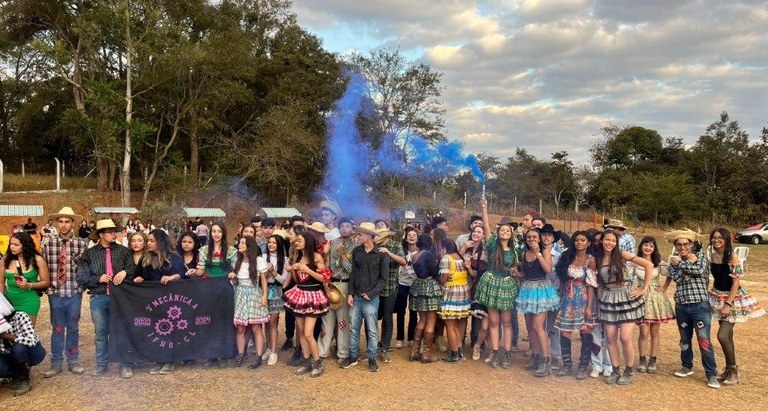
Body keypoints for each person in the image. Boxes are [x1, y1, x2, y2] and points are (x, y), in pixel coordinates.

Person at [76, 219, 136, 378]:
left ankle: (126, 363)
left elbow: (132, 268)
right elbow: (81, 276)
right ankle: (101, 364)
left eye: (115, 231)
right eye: (110, 232)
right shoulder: (89, 254)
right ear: (101, 234)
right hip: (99, 296)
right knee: (101, 332)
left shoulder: (124, 251)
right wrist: (98, 278)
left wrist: (125, 272)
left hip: (121, 297)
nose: (114, 234)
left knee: (122, 330)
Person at [708, 228, 764, 385]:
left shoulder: (732, 257)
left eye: (720, 237)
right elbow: (717, 278)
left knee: (722, 335)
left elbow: (735, 283)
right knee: (728, 336)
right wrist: (714, 296)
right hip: (718, 296)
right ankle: (728, 371)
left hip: (732, 299)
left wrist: (727, 304)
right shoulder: (713, 255)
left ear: (726, 239)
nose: (716, 240)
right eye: (714, 237)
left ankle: (734, 371)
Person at [596, 228, 652, 385]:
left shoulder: (622, 255)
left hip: (626, 297)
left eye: (613, 240)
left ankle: (629, 370)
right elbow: (600, 284)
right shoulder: (597, 259)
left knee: (625, 337)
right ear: (602, 241)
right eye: (607, 240)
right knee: (610, 337)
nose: (610, 243)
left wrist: (644, 287)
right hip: (608, 298)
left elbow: (648, 264)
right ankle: (615, 370)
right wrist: (600, 304)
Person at [666, 229, 720, 388]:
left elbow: (699, 270)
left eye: (685, 244)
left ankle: (711, 373)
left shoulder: (701, 257)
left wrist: (681, 264)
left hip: (700, 305)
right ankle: (686, 366)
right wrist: (687, 267)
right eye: (679, 245)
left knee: (704, 339)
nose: (682, 247)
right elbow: (678, 278)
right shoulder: (673, 261)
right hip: (682, 305)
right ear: (675, 246)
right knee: (684, 339)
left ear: (691, 244)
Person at [41, 207, 88, 378]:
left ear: (73, 223)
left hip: (74, 293)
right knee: (57, 328)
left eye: (67, 221)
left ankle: (73, 361)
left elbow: (86, 269)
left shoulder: (81, 244)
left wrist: (81, 288)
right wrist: (49, 290)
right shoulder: (48, 244)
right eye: (60, 221)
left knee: (73, 328)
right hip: (56, 293)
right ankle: (56, 363)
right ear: (56, 223)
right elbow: (44, 268)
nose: (63, 225)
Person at [134, 229, 188, 375]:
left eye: (151, 241)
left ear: (161, 242)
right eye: (148, 241)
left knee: (170, 330)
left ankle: (169, 361)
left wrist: (171, 277)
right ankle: (159, 360)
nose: (148, 243)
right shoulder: (145, 258)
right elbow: (138, 275)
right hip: (152, 301)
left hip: (170, 300)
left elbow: (183, 274)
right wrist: (139, 279)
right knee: (156, 331)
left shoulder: (174, 257)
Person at [475, 198, 520, 368]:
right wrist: (484, 208)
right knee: (494, 322)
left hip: (506, 286)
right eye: (502, 230)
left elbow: (516, 268)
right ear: (498, 232)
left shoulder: (515, 250)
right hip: (492, 285)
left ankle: (506, 353)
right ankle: (495, 352)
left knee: (507, 322)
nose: (505, 232)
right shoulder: (492, 245)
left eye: (508, 230)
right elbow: (486, 227)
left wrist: (515, 273)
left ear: (511, 234)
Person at [341, 222, 388, 372]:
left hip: (371, 299)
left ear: (368, 236)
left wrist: (371, 293)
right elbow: (353, 274)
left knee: (372, 330)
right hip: (357, 297)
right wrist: (350, 293)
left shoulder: (382, 254)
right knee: (354, 329)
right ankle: (353, 356)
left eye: (360, 234)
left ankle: (372, 357)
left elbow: (383, 279)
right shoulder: (357, 251)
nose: (357, 236)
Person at [283, 232, 331, 377]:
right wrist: (293, 270)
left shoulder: (316, 257)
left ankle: (317, 363)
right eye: (297, 241)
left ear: (307, 242)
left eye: (299, 240)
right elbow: (297, 280)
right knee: (301, 332)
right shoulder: (297, 257)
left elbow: (324, 278)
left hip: (313, 295)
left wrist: (308, 270)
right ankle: (306, 361)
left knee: (308, 333)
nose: (297, 243)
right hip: (300, 293)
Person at [553, 231, 597, 380]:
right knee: (565, 331)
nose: (579, 242)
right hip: (568, 297)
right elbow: (563, 280)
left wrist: (589, 307)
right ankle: (567, 366)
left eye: (583, 240)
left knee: (585, 330)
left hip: (583, 298)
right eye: (577, 240)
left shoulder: (590, 260)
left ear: (588, 243)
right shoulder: (568, 256)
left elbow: (591, 285)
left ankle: (583, 367)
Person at [516, 228, 560, 377]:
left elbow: (548, 269)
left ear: (539, 239)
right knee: (529, 326)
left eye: (534, 237)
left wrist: (538, 253)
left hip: (542, 290)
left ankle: (545, 359)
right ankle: (535, 356)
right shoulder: (524, 254)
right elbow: (525, 274)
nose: (532, 239)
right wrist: (517, 274)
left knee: (537, 326)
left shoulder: (545, 251)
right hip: (528, 289)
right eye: (529, 237)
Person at [633, 236, 674, 375]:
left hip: (656, 298)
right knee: (643, 332)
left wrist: (664, 287)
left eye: (651, 246)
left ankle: (653, 360)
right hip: (641, 298)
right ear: (641, 246)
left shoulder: (658, 262)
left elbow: (669, 274)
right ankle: (642, 359)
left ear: (654, 248)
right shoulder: (636, 261)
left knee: (654, 332)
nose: (648, 248)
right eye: (645, 245)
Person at [227, 236, 268, 369]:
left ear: (249, 246)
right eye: (240, 243)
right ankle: (240, 354)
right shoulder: (237, 260)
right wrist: (233, 277)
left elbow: (263, 280)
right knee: (240, 327)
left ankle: (258, 356)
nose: (240, 245)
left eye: (243, 243)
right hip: (240, 294)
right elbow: (236, 282)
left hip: (254, 293)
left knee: (256, 327)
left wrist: (264, 295)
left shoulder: (258, 260)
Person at [319, 218, 355, 363]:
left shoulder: (356, 247)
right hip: (331, 283)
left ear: (352, 229)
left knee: (343, 321)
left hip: (345, 284)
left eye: (347, 226)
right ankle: (322, 351)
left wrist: (343, 255)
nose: (344, 228)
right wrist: (326, 285)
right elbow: (326, 266)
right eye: (342, 226)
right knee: (327, 319)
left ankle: (343, 353)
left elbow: (352, 270)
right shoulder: (332, 244)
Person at [0, 293, 46, 396]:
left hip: (32, 351)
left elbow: (32, 340)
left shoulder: (20, 316)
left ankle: (25, 380)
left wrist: (7, 336)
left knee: (18, 348)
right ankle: (15, 375)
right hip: (8, 354)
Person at [1, 232, 51, 325]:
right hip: (9, 303)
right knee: (9, 332)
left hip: (28, 302)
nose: (12, 247)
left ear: (25, 246)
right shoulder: (6, 259)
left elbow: (46, 282)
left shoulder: (37, 259)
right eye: (11, 244)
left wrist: (28, 285)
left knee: (26, 332)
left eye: (16, 245)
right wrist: (2, 301)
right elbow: (1, 282)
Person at [407, 233, 441, 363]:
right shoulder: (428, 254)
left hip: (418, 285)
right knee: (431, 321)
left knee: (422, 320)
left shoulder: (415, 255)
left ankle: (414, 352)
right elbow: (435, 272)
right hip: (430, 286)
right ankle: (426, 354)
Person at [437, 238, 471, 363]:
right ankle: (459, 350)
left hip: (450, 294)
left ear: (444, 248)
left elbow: (443, 279)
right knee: (455, 324)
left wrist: (439, 279)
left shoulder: (446, 259)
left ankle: (454, 353)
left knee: (449, 325)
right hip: (462, 295)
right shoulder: (460, 257)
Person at [375, 226, 405, 363]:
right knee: (372, 318)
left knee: (387, 318)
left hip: (390, 288)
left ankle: (385, 348)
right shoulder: (374, 247)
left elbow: (404, 261)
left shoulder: (396, 245)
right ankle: (373, 347)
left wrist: (388, 253)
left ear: (386, 236)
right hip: (374, 289)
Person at [260, 234, 290, 366]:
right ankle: (268, 348)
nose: (271, 245)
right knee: (266, 321)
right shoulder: (262, 258)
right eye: (269, 242)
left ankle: (273, 351)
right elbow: (260, 277)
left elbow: (284, 281)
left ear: (279, 245)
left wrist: (273, 272)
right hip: (264, 291)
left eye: (274, 243)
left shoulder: (285, 260)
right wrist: (265, 274)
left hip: (277, 291)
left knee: (273, 321)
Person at [461, 225, 488, 360]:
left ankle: (477, 343)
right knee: (463, 316)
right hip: (463, 286)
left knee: (477, 316)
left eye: (479, 232)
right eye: (474, 231)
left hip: (477, 287)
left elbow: (477, 274)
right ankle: (460, 343)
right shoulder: (467, 248)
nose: (475, 233)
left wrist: (468, 268)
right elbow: (455, 259)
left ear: (483, 236)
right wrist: (464, 247)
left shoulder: (485, 252)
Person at [540, 224, 563, 371]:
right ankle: (540, 354)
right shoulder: (536, 253)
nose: (546, 237)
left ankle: (555, 355)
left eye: (549, 235)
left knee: (553, 326)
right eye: (544, 234)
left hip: (554, 292)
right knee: (539, 326)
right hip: (538, 293)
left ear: (553, 238)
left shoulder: (559, 256)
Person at [394, 228, 419, 350]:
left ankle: (411, 338)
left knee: (413, 312)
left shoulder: (420, 252)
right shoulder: (401, 251)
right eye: (409, 235)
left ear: (417, 239)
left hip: (415, 284)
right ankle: (400, 338)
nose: (412, 236)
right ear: (405, 238)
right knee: (401, 311)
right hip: (402, 283)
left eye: (414, 235)